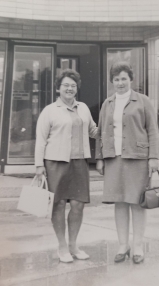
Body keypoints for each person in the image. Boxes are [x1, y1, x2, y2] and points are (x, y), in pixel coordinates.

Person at [96, 61, 159, 264]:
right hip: (114, 159)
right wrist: (99, 158)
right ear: (112, 82)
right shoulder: (108, 103)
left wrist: (154, 157)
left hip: (137, 159)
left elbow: (153, 131)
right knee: (120, 202)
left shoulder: (143, 101)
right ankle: (123, 245)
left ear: (131, 80)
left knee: (137, 203)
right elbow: (100, 132)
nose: (120, 83)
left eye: (124, 78)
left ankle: (138, 246)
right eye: (116, 79)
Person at [35, 69, 97, 263]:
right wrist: (39, 165)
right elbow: (40, 140)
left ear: (77, 88)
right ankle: (62, 247)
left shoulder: (84, 108)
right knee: (59, 205)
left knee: (78, 205)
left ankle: (73, 246)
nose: (70, 88)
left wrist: (113, 126)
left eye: (73, 85)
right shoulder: (50, 110)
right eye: (66, 85)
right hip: (56, 162)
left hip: (79, 163)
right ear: (58, 88)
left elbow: (93, 131)